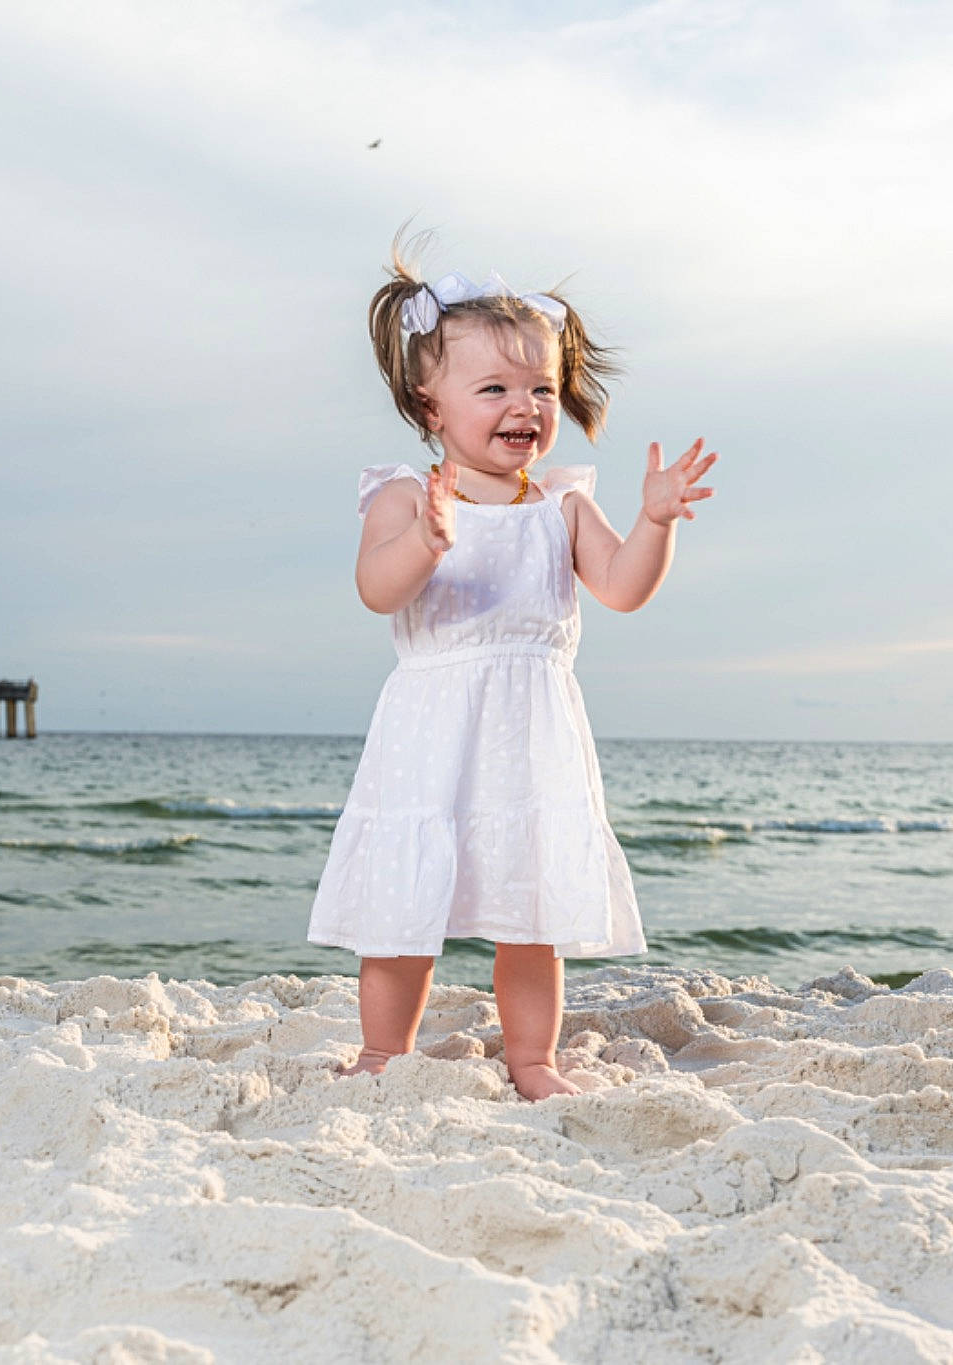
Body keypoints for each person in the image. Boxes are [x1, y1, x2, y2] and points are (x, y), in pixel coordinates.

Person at [307, 232, 718, 1101]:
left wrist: (655, 522)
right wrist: (425, 539)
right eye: (493, 387)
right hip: (431, 732)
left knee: (531, 916)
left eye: (539, 386)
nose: (523, 405)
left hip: (530, 739)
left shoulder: (562, 504)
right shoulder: (405, 495)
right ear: (430, 405)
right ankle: (385, 1052)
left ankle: (533, 1058)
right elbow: (376, 589)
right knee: (403, 908)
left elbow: (622, 587)